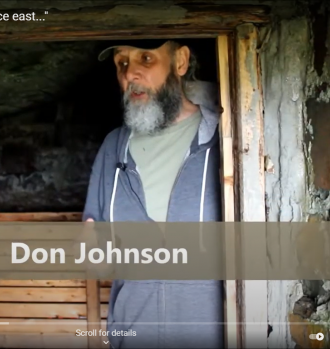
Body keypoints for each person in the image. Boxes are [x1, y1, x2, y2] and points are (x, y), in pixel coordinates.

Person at [82, 39, 224, 348]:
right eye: (122, 63)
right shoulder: (112, 149)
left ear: (180, 62)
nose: (130, 74)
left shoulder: (225, 141)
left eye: (145, 58)